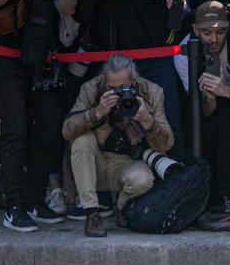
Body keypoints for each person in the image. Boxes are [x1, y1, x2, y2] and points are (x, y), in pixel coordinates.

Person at [0, 0, 79, 232]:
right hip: (5, 51)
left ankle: (34, 198)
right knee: (15, 128)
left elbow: (69, 8)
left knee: (50, 127)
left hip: (40, 53)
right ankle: (15, 206)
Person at [61, 55, 174, 238]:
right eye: (111, 88)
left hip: (128, 162)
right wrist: (96, 112)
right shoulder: (91, 87)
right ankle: (92, 214)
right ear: (104, 81)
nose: (117, 94)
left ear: (134, 81)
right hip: (96, 162)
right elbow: (67, 131)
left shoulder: (152, 92)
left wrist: (147, 120)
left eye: (122, 88)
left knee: (142, 179)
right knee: (81, 140)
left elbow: (166, 144)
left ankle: (124, 209)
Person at [74, 0, 184, 158]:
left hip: (155, 52)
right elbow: (82, 11)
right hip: (110, 54)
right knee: (103, 117)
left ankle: (177, 176)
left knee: (168, 118)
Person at [173, 1, 230, 214]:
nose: (214, 39)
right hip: (206, 110)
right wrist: (210, 98)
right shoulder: (184, 52)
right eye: (206, 33)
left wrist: (225, 91)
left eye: (220, 32)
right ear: (194, 30)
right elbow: (200, 111)